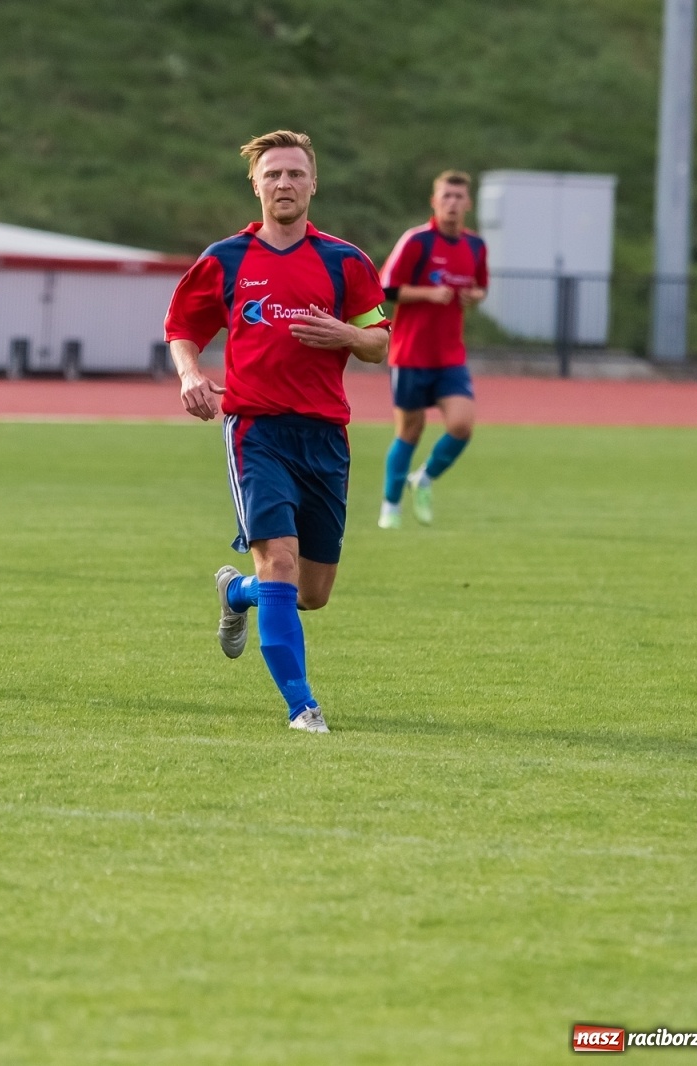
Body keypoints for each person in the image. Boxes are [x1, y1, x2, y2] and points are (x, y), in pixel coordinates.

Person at [164, 130, 391, 734]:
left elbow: (379, 342)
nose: (284, 184)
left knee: (311, 592)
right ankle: (302, 707)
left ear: (313, 183)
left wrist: (344, 334)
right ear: (256, 185)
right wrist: (190, 374)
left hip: (324, 438)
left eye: (295, 174)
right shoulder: (226, 258)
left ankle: (238, 593)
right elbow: (182, 326)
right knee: (282, 565)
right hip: (255, 430)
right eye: (273, 175)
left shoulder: (346, 261)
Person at [377, 171, 488, 528]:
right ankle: (390, 508)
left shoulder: (476, 246)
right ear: (434, 202)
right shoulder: (417, 241)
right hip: (410, 354)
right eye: (446, 197)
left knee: (462, 425)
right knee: (409, 431)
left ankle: (422, 478)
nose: (453, 203)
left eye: (459, 197)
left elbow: (480, 286)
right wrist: (427, 293)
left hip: (450, 356)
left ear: (468, 204)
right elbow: (386, 289)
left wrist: (475, 296)